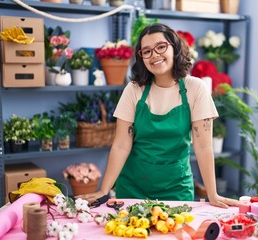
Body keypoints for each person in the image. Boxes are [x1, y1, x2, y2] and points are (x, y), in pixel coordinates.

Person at [79, 23, 239, 208]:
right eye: (146, 51)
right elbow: (121, 145)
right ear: (141, 58)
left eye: (161, 47)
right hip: (133, 188)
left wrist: (212, 193)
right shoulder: (134, 90)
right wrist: (103, 190)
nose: (154, 55)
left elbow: (203, 147)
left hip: (176, 188)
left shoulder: (195, 89)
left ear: (175, 48)